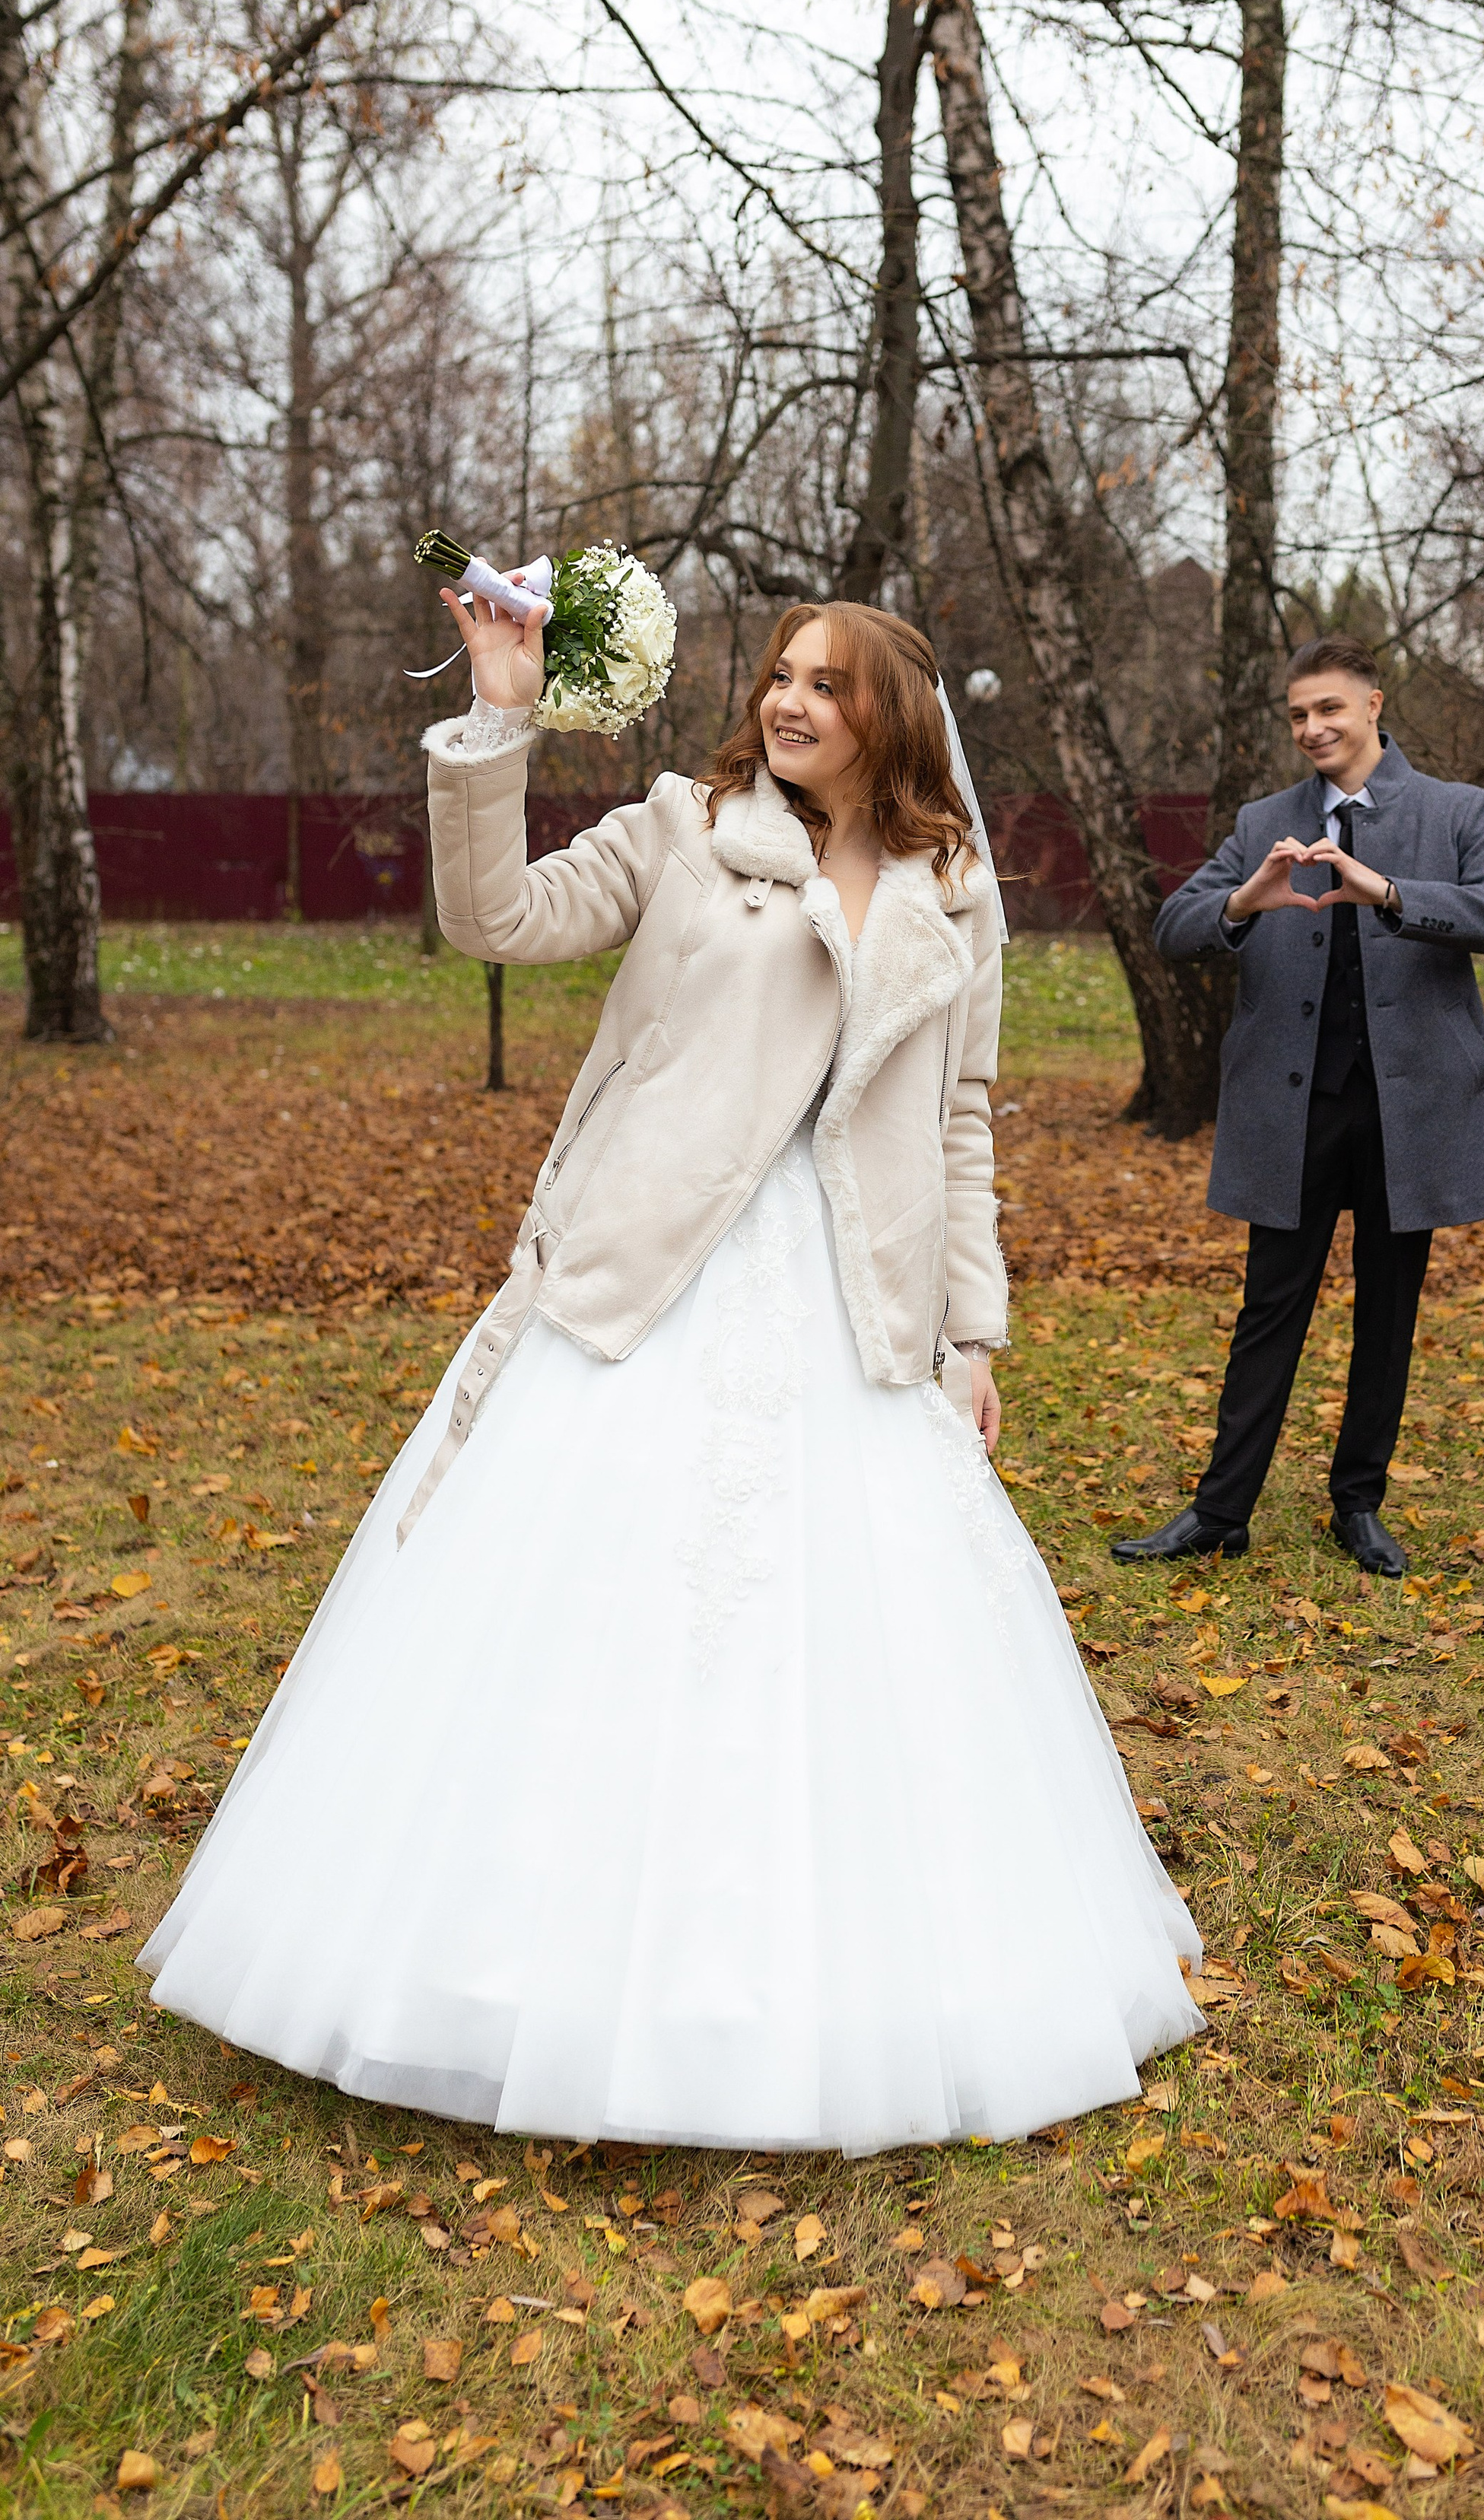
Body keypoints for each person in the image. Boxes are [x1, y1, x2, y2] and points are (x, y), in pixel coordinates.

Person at [141, 597, 1201, 2155]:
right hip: (641, 1292)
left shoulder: (952, 894)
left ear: (889, 713)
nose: (788, 706)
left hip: (855, 1315)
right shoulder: (683, 829)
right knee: (578, 1631)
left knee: (850, 1661)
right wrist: (497, 718)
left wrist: (971, 1335)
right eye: (776, 678)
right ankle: (497, 1980)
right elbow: (493, 921)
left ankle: (828, 1999)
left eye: (824, 687)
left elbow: (959, 1123)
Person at [1113, 635, 1484, 1581]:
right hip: (1292, 1112)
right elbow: (1173, 928)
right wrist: (1244, 903)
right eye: (1298, 714)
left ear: (1374, 705)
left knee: (1387, 1313)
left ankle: (1359, 1504)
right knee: (1270, 1308)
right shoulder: (1261, 819)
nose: (1312, 729)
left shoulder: (1454, 812)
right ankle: (1221, 1512)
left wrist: (1386, 891)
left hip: (1409, 1114)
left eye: (1329, 710)